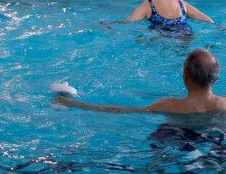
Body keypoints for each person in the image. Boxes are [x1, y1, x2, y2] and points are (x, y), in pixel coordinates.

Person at [54, 48, 226, 114]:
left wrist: (74, 103)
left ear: (185, 75)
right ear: (216, 78)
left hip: (179, 140)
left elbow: (121, 110)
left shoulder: (169, 106)